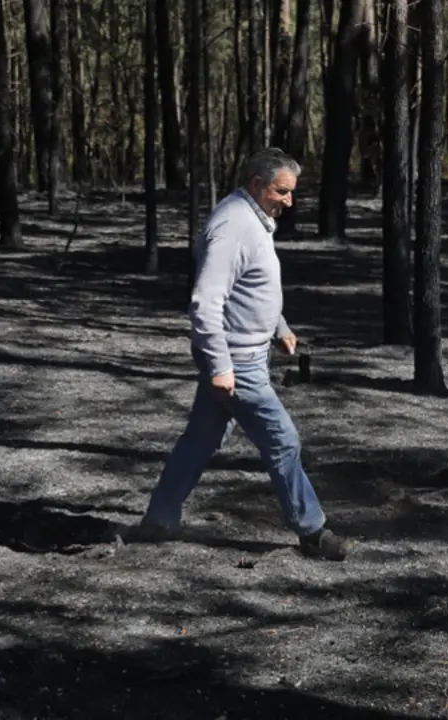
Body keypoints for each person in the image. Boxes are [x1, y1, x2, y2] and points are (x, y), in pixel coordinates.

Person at [132, 147, 346, 561]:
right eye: (282, 192)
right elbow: (206, 302)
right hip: (237, 363)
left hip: (245, 355)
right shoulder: (232, 226)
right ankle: (313, 530)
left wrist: (279, 328)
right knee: (283, 441)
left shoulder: (253, 220)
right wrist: (220, 365)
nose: (289, 201)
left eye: (290, 192)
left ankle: (159, 520)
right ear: (257, 185)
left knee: (199, 441)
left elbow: (251, 289)